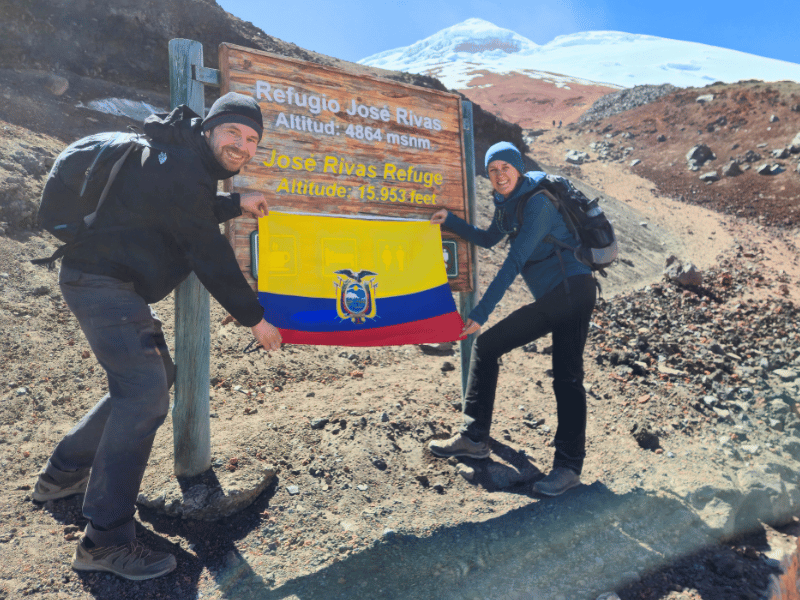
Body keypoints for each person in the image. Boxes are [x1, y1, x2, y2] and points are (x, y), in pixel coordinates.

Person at [32, 92, 282, 580]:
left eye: (252, 139)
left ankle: (61, 477)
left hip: (103, 281)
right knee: (145, 396)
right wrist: (256, 318)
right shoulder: (181, 165)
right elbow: (206, 251)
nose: (243, 145)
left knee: (151, 379)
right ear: (211, 128)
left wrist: (235, 201)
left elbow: (181, 208)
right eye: (233, 132)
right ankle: (104, 540)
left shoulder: (177, 157)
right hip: (104, 285)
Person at [428, 141, 596, 497]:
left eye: (505, 167)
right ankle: (475, 439)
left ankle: (567, 467)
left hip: (573, 291)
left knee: (560, 375)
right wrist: (453, 222)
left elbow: (512, 263)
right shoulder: (509, 203)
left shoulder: (536, 204)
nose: (499, 174)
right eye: (492, 170)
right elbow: (491, 239)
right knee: (529, 363)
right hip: (558, 294)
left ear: (519, 169)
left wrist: (478, 314)